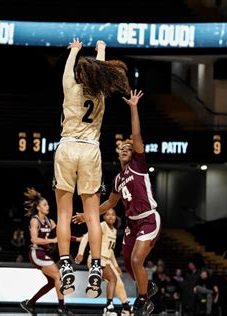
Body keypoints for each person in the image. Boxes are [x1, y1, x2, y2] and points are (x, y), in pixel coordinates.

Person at [54, 37, 130, 298]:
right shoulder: (100, 95)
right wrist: (101, 49)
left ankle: (65, 266)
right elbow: (97, 68)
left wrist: (75, 50)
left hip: (67, 148)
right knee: (92, 215)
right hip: (90, 151)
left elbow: (68, 69)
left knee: (64, 214)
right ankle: (96, 267)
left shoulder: (70, 88)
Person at [74, 90, 160, 315]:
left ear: (134, 153)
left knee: (136, 259)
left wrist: (133, 107)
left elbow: (136, 134)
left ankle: (143, 300)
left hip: (148, 219)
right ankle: (147, 287)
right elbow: (109, 203)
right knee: (130, 265)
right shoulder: (118, 179)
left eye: (128, 148)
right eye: (121, 147)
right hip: (132, 223)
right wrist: (87, 215)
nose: (124, 149)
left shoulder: (138, 165)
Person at [19, 188, 73, 315]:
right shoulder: (34, 220)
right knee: (58, 276)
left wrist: (78, 238)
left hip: (45, 253)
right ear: (38, 207)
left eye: (48, 204)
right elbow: (34, 239)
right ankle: (61, 307)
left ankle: (29, 303)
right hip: (36, 252)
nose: (47, 207)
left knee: (52, 282)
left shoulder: (50, 221)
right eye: (44, 205)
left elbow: (62, 235)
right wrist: (53, 241)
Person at [75, 209, 132, 316]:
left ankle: (126, 308)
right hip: (96, 258)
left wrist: (116, 265)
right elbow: (86, 237)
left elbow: (110, 251)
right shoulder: (101, 225)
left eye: (113, 214)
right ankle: (108, 307)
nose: (111, 217)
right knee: (113, 279)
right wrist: (80, 253)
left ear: (116, 217)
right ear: (104, 217)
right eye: (108, 214)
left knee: (119, 284)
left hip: (108, 260)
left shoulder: (114, 231)